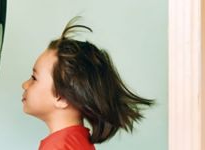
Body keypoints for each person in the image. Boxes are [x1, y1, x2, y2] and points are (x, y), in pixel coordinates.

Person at [21, 17, 153, 150]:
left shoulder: (57, 147)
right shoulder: (78, 141)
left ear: (61, 97)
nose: (25, 85)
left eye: (34, 78)